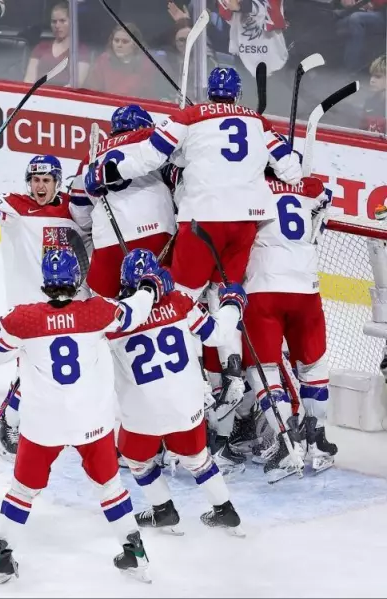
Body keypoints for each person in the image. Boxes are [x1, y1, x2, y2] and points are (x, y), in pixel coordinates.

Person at [0, 248, 176, 587]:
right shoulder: (97, 311)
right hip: (91, 423)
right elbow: (134, 310)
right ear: (77, 280)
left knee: (22, 490)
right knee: (109, 486)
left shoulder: (23, 319)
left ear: (45, 282)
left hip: (43, 426)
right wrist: (150, 287)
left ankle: (0, 559)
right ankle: (135, 553)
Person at [94, 66, 302, 437]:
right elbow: (291, 169)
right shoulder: (257, 121)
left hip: (203, 222)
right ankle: (233, 373)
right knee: (227, 295)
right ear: (237, 94)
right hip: (246, 223)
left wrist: (111, 169)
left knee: (180, 301)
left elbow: (149, 156)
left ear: (209, 91)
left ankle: (197, 386)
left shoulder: (189, 116)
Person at [0, 151, 89, 458]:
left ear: (58, 182)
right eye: (35, 180)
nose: (40, 186)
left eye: (46, 180)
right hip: (29, 308)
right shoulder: (15, 207)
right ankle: (12, 421)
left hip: (72, 304)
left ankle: (62, 417)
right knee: (30, 372)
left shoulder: (75, 209)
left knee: (70, 368)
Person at [107, 248, 245, 535]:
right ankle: (225, 510)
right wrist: (232, 304)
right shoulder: (180, 301)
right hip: (186, 407)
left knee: (137, 460)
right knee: (198, 459)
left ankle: (163, 510)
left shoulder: (115, 318)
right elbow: (217, 335)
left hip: (141, 414)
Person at [242, 172, 337, 481]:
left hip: (263, 288)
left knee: (264, 370)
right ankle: (317, 441)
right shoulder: (309, 187)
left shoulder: (250, 185)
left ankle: (287, 444)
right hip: (306, 288)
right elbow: (324, 200)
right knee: (313, 365)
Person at [74, 104, 177, 298]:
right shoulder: (151, 137)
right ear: (144, 125)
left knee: (105, 308)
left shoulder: (90, 158)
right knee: (165, 297)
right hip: (156, 232)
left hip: (108, 242)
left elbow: (80, 213)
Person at [24, 1, 90, 87]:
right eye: (54, 22)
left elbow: (76, 83)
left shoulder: (80, 50)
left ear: (72, 22)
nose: (57, 26)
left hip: (63, 94)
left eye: (62, 21)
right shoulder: (41, 47)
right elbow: (29, 80)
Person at [85, 24, 160, 99]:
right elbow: (92, 90)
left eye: (125, 41)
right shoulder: (103, 60)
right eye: (116, 40)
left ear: (135, 44)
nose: (119, 45)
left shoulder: (146, 64)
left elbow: (150, 95)